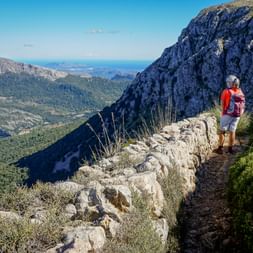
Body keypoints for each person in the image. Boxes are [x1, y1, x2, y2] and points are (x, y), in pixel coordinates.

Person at [216, 75, 245, 154]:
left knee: (222, 131)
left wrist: (223, 112)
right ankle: (230, 149)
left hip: (227, 114)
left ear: (231, 83)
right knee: (232, 131)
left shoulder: (226, 91)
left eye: (229, 82)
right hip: (237, 115)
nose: (228, 83)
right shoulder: (240, 91)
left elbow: (222, 104)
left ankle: (220, 148)